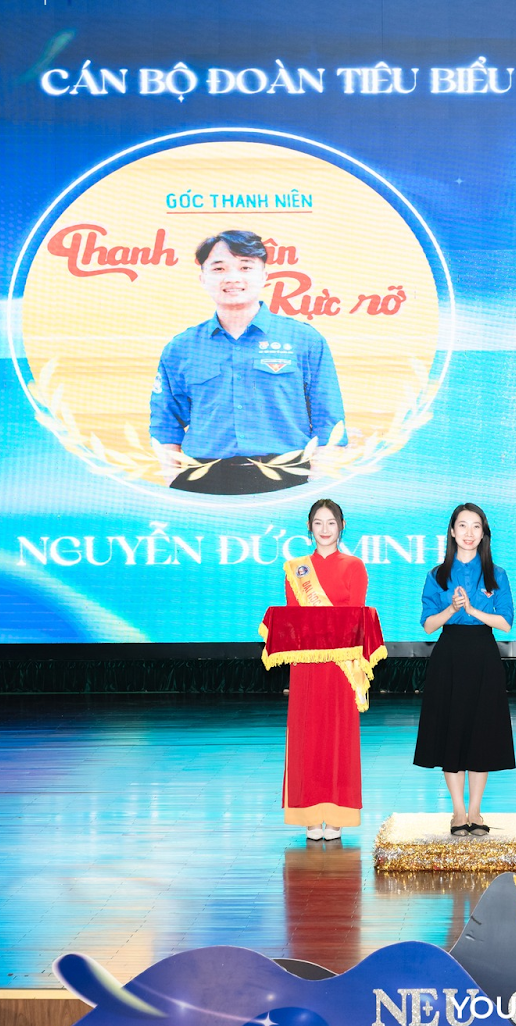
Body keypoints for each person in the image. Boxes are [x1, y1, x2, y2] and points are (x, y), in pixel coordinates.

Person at [150, 230, 347, 495]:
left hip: (288, 478)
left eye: (245, 267)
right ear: (203, 278)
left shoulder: (304, 340)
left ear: (264, 276)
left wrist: (316, 487)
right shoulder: (181, 348)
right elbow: (165, 423)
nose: (233, 278)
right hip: (204, 481)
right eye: (219, 268)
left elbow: (329, 422)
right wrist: (174, 482)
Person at [414, 503, 515, 836]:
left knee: (481, 732)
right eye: (462, 525)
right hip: (450, 656)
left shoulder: (497, 574)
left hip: (484, 654)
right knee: (452, 731)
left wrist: (472, 610)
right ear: (452, 531)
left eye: (476, 527)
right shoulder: (437, 575)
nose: (469, 533)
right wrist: (452, 609)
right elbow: (429, 625)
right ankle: (458, 811)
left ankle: (476, 811)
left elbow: (505, 623)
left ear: (484, 533)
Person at [281, 499, 369, 841]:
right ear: (309, 527)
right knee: (307, 735)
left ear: (342, 526)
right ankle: (309, 815)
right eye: (318, 523)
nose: (325, 529)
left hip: (341, 665)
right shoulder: (296, 569)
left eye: (331, 522)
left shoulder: (354, 566)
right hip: (308, 662)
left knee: (338, 736)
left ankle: (336, 815)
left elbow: (356, 616)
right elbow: (294, 616)